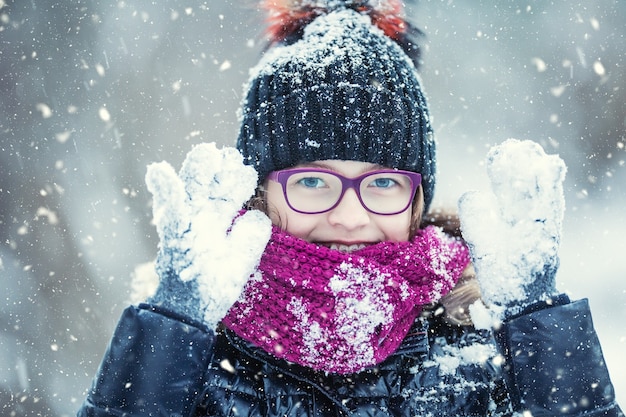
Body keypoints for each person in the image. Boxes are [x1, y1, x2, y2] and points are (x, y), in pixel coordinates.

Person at [77, 1, 623, 416]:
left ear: (417, 200)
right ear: (260, 192)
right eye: (313, 180)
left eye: (382, 183)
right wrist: (171, 331)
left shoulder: (485, 352)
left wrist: (539, 327)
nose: (349, 216)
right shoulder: (191, 358)